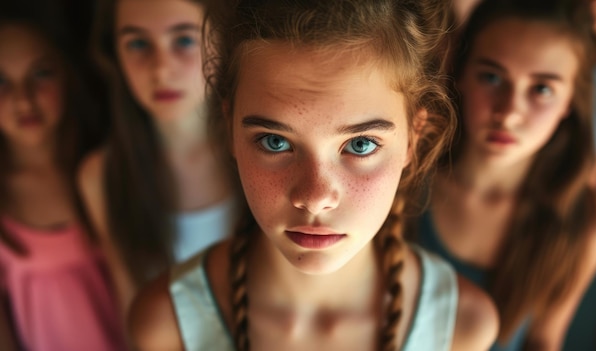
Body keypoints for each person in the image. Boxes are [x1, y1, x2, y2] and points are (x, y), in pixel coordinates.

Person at [128, 0, 501, 350]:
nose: (315, 195)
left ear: (412, 139)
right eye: (275, 142)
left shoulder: (461, 328)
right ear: (229, 129)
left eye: (360, 145)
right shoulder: (167, 325)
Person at [409, 0, 596, 350]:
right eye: (491, 77)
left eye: (541, 89)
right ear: (461, 73)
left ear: (570, 102)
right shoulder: (406, 179)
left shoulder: (585, 224)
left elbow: (543, 340)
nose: (509, 113)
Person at [79, 0, 238, 322]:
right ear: (115, 55)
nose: (161, 69)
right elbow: (132, 308)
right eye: (137, 43)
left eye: (184, 40)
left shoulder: (266, 151)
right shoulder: (102, 175)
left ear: (223, 41)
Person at [0, 6, 125, 351]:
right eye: (1, 82)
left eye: (40, 73)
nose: (23, 98)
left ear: (68, 74)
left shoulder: (105, 169)